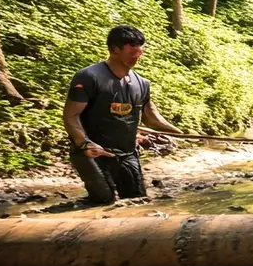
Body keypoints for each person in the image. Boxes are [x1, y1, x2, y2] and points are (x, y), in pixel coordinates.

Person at [62, 25, 182, 204]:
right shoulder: (88, 77)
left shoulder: (141, 83)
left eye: (139, 53)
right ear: (114, 50)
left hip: (127, 153)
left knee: (138, 201)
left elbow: (151, 117)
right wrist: (84, 143)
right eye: (131, 53)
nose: (136, 57)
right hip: (92, 152)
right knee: (104, 200)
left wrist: (180, 133)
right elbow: (70, 116)